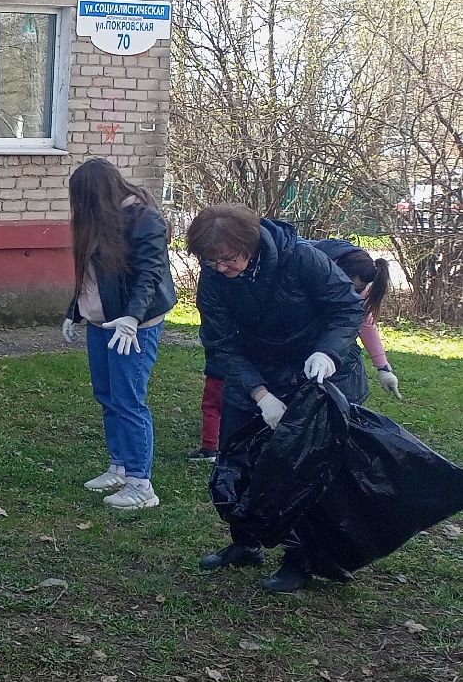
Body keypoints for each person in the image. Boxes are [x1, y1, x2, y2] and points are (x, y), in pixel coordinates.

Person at [185, 203, 367, 592]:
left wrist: (328, 352)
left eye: (228, 259)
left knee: (305, 468)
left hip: (317, 370)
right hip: (256, 372)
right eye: (210, 261)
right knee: (237, 460)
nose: (220, 268)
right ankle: (246, 542)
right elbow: (220, 343)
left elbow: (346, 307)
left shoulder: (301, 258)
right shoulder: (214, 278)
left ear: (249, 246)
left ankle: (301, 558)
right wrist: (260, 393)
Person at [190, 239, 399, 461]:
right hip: (284, 361)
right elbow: (226, 342)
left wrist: (381, 367)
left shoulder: (355, 283)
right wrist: (262, 395)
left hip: (337, 364)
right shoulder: (306, 266)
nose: (353, 293)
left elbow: (359, 321)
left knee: (327, 442)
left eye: (358, 291)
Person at [60, 158, 176, 511]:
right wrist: (75, 312)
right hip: (102, 322)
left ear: (95, 194)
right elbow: (92, 278)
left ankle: (141, 484)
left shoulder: (145, 219)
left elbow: (150, 274)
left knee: (129, 400)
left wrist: (132, 318)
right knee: (107, 394)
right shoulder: (100, 220)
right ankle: (120, 466)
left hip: (132, 328)